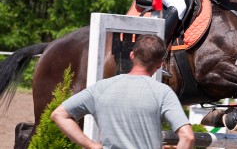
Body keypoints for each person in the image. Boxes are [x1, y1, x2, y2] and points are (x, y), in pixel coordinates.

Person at [51, 34, 194, 149]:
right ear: (160, 65)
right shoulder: (163, 92)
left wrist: (91, 146)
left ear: (132, 56)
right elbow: (187, 137)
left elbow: (59, 115)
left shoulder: (101, 87)